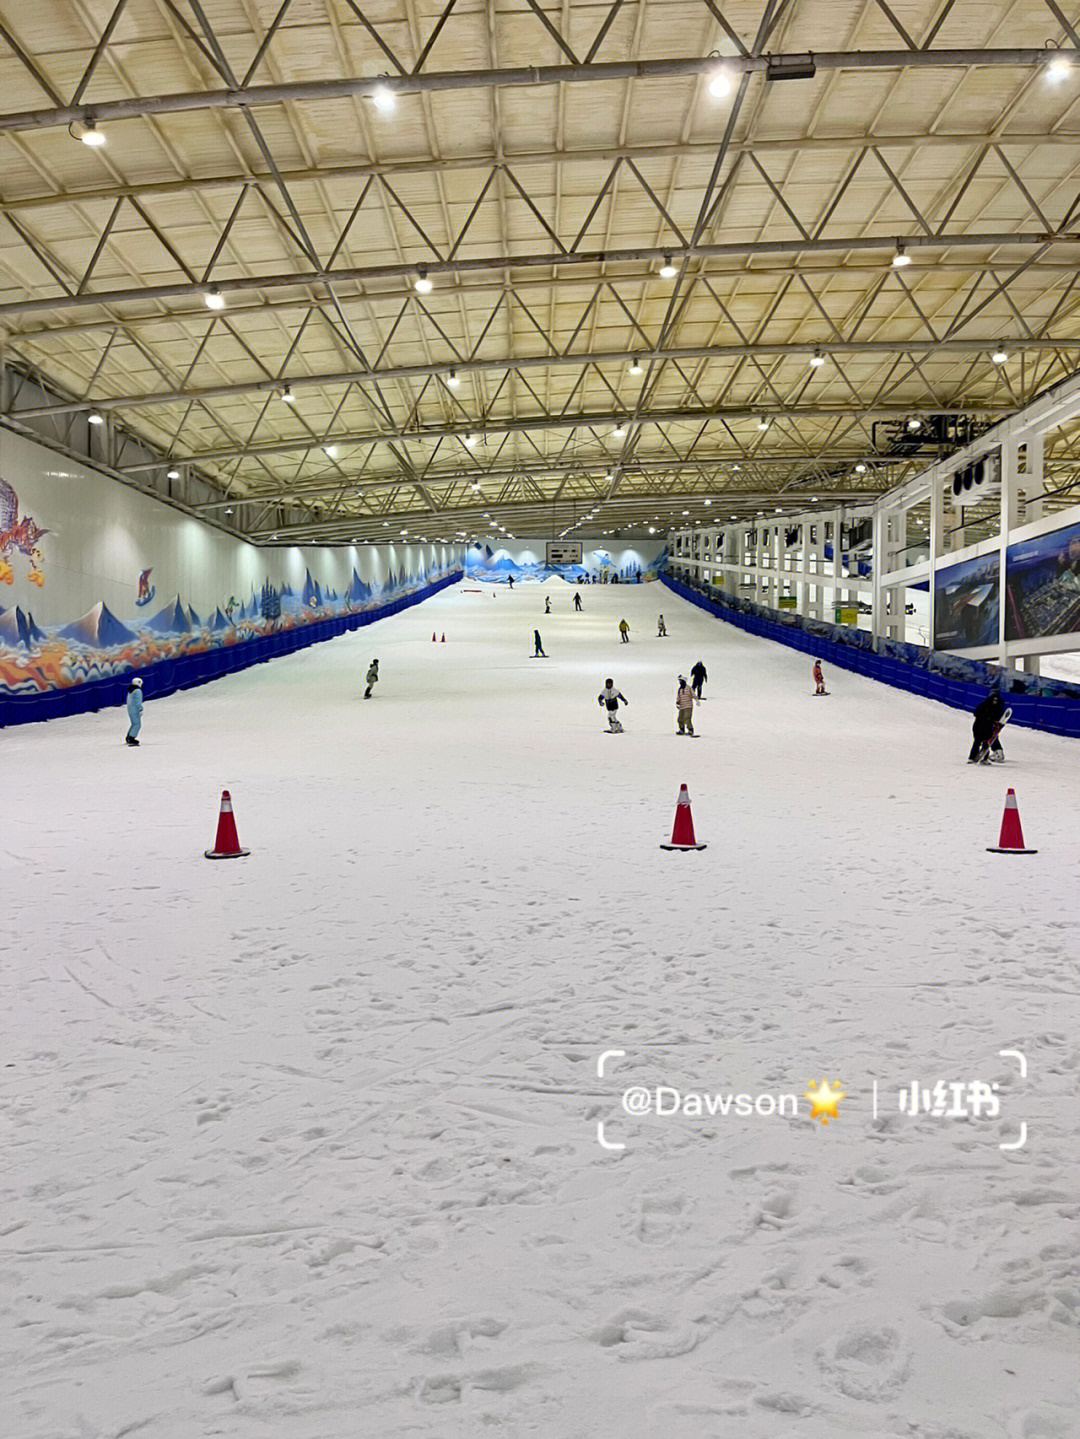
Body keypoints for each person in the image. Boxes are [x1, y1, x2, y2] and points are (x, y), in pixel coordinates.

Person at [969, 690, 1006, 764]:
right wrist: (989, 719)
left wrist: (998, 723)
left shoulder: (999, 707)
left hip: (988, 727)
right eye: (994, 699)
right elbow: (976, 713)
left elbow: (999, 717)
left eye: (996, 700)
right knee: (977, 741)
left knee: (987, 743)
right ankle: (972, 757)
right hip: (979, 726)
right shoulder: (984, 705)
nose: (995, 701)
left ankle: (984, 758)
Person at [125, 675, 144, 746]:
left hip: (130, 709)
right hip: (135, 710)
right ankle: (132, 738)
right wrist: (140, 709)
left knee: (134, 723)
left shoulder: (130, 690)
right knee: (137, 724)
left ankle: (129, 736)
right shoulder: (138, 691)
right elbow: (138, 701)